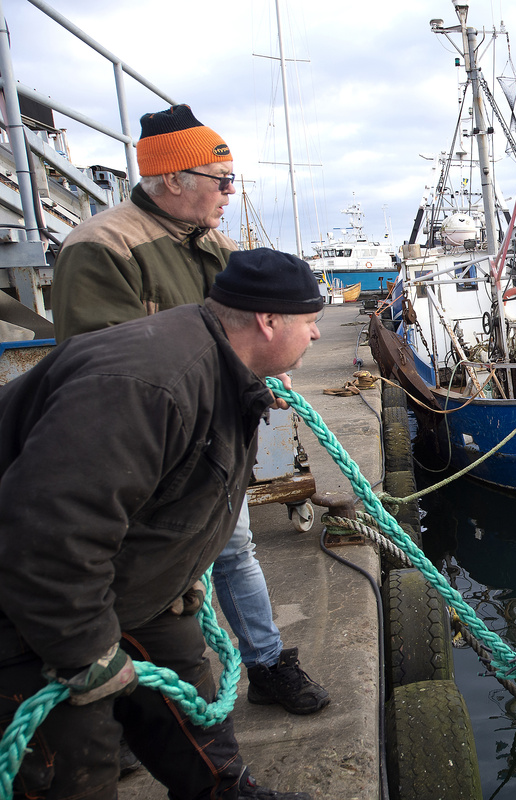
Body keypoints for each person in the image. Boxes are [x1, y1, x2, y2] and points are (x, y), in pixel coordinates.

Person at [0, 249, 321, 799]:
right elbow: (46, 528)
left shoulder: (226, 370)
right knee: (74, 766)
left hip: (130, 582)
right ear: (268, 322)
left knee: (194, 720)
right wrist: (86, 651)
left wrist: (182, 572)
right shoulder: (153, 385)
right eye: (311, 322)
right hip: (36, 604)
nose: (318, 336)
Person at [51, 104, 329, 718]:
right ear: (173, 179)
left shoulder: (216, 244)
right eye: (220, 179)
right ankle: (125, 703)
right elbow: (97, 369)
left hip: (220, 437)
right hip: (151, 456)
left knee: (235, 552)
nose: (232, 193)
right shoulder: (101, 247)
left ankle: (266, 663)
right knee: (138, 580)